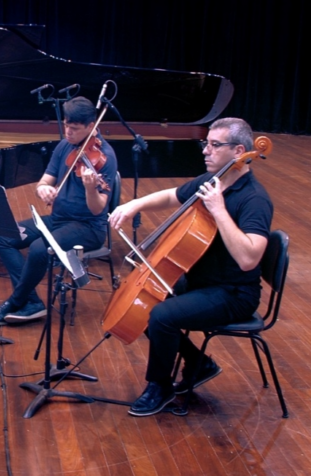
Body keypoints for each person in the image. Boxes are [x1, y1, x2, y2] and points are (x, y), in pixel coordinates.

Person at [108, 117, 272, 417]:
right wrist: (134, 205)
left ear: (239, 151)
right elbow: (172, 195)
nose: (205, 151)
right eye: (205, 144)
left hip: (234, 293)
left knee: (162, 315)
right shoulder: (212, 181)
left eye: (215, 145)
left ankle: (160, 386)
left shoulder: (255, 199)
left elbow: (249, 258)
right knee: (146, 299)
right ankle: (198, 363)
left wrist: (219, 210)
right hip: (203, 280)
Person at [0, 96, 118, 325]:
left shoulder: (106, 157)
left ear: (91, 126)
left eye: (74, 128)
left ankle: (14, 302)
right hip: (58, 219)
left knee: (39, 248)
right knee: (4, 236)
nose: (68, 132)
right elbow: (44, 181)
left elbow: (98, 209)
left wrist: (90, 189)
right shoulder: (65, 146)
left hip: (87, 228)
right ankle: (32, 302)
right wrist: (43, 189)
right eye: (65, 125)